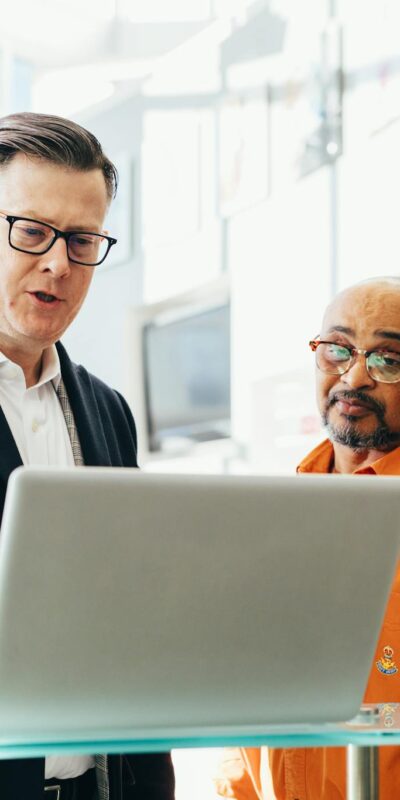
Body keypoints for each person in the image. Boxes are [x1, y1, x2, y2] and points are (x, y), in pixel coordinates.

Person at [0, 112, 175, 800]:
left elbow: (129, 621)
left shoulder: (107, 409)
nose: (57, 264)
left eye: (81, 240)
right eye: (32, 232)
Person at [214, 276, 400, 800]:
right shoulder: (268, 522)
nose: (355, 377)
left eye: (388, 359)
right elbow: (236, 706)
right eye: (337, 350)